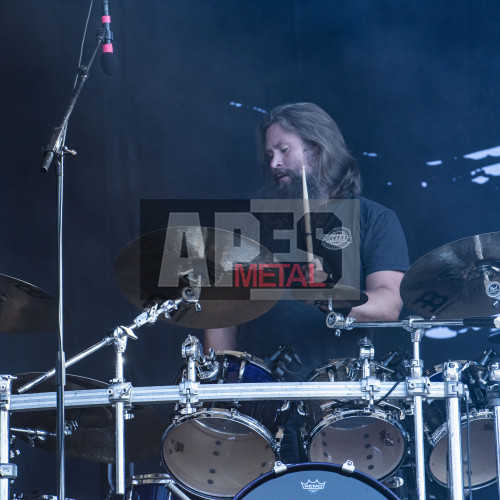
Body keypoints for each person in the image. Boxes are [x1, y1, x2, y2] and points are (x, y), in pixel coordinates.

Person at [204, 102, 409, 461]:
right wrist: (220, 390)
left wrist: (327, 294)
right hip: (259, 404)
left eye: (284, 150)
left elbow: (389, 304)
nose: (273, 164)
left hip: (343, 402)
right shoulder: (249, 225)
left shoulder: (373, 219)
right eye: (269, 154)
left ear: (316, 150)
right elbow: (222, 315)